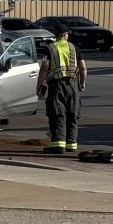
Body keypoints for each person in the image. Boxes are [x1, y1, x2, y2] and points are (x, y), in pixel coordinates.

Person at [37, 23, 87, 154]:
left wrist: (39, 86)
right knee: (72, 113)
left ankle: (58, 145)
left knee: (58, 114)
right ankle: (71, 144)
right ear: (65, 35)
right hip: (72, 85)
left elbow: (44, 68)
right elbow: (83, 68)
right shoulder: (74, 48)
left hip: (56, 86)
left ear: (56, 35)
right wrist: (82, 83)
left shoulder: (50, 48)